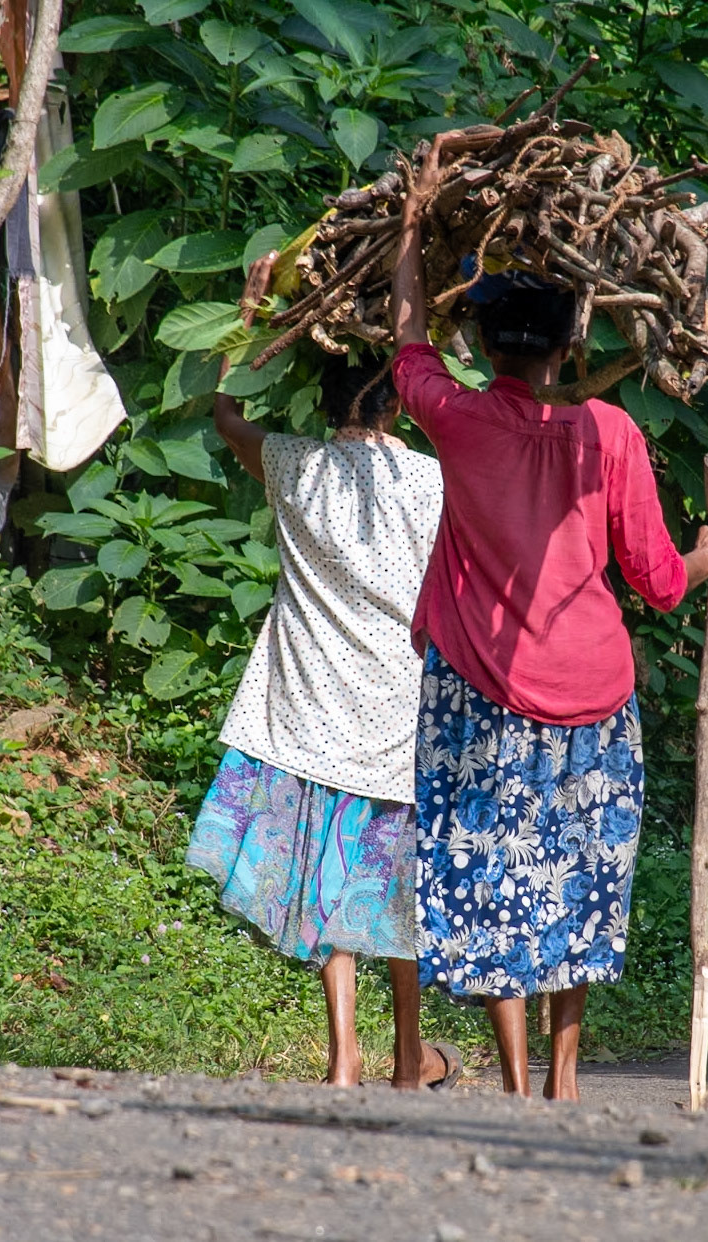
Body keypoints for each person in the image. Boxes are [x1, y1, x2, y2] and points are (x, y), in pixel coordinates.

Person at [390, 141, 708, 1100]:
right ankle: (565, 1075)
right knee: (581, 879)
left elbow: (405, 343)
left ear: (489, 345)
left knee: (496, 879)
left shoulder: (456, 420)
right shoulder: (612, 433)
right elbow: (659, 582)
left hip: (483, 697)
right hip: (593, 696)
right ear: (567, 347)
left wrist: (417, 230)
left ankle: (515, 1082)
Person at [185, 256, 457, 1090]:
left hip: (313, 704)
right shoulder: (433, 478)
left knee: (334, 876)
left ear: (326, 401)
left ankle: (345, 1058)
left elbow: (224, 412)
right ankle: (410, 1058)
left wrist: (250, 309)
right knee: (397, 881)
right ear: (399, 404)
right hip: (401, 707)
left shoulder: (293, 465)